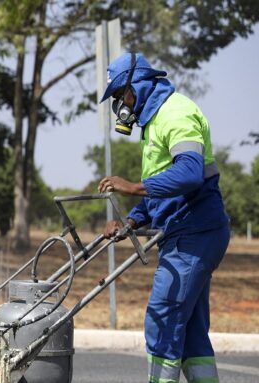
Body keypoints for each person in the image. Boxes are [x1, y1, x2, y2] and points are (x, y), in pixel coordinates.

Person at [97, 52, 229, 383]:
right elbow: (160, 192)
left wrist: (132, 186)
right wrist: (130, 222)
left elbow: (189, 174)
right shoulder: (154, 123)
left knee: (163, 317)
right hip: (185, 231)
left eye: (120, 95)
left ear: (137, 87)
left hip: (195, 232)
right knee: (192, 334)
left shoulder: (176, 112)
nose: (119, 106)